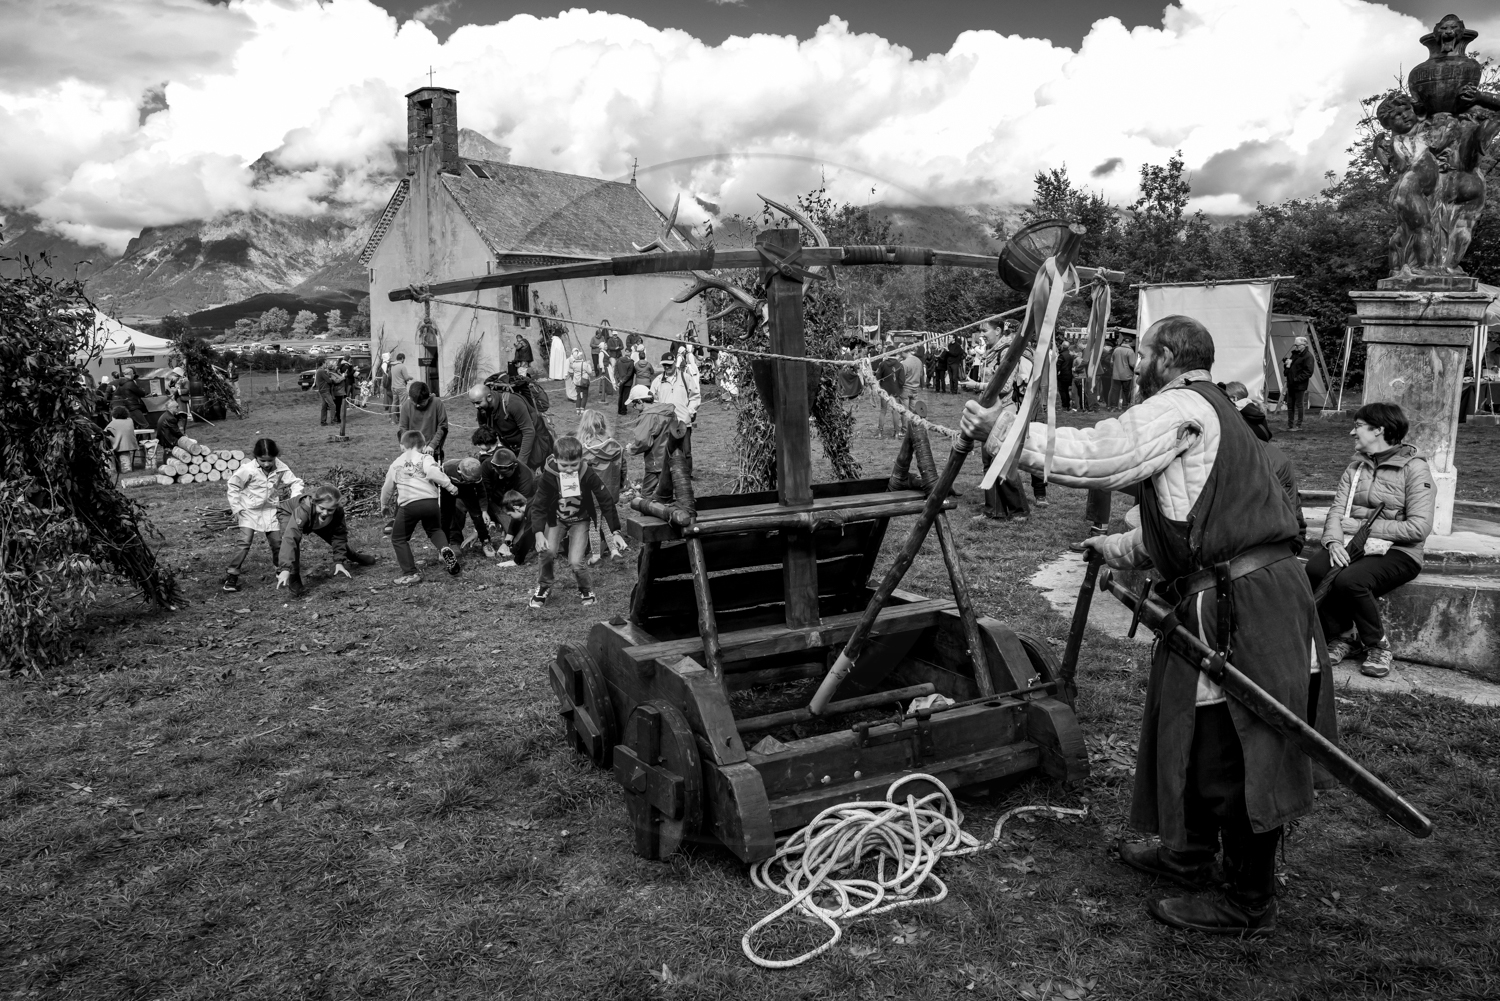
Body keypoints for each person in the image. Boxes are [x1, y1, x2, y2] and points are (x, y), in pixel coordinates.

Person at [961, 314, 1320, 936]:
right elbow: (1182, 521)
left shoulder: (1181, 404)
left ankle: (1247, 899)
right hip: (1231, 593)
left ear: (1169, 357)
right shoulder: (1212, 412)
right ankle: (1190, 854)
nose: (1134, 362)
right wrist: (1115, 548)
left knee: (1235, 745)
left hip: (1245, 605)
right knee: (1197, 729)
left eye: (1144, 353)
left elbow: (1105, 454)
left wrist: (1005, 432)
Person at [1304, 402, 1433, 678]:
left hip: (1401, 551)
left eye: (1358, 426)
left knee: (1351, 580)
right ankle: (1344, 637)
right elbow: (1337, 513)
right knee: (1315, 569)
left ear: (1379, 430)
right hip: (1354, 543)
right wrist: (1333, 543)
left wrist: (1363, 527)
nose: (1352, 432)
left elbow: (1419, 528)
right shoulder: (1355, 468)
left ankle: (1378, 645)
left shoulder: (1415, 469)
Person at [529, 435, 625, 609]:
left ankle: (585, 589)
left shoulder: (587, 472)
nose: (568, 469)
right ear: (555, 459)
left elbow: (605, 500)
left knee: (575, 561)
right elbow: (539, 505)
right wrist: (538, 533)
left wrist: (615, 531)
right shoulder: (548, 474)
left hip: (580, 520)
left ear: (581, 459)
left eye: (573, 465)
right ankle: (544, 586)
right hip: (556, 519)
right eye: (564, 465)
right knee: (547, 551)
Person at [380, 430, 462, 584]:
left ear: (402, 447)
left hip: (409, 505)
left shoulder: (396, 464)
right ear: (423, 446)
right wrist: (450, 487)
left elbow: (387, 488)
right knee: (435, 530)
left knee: (398, 538)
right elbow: (433, 472)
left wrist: (384, 504)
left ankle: (410, 573)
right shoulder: (425, 457)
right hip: (430, 503)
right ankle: (444, 548)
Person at [223, 438, 305, 592]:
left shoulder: (280, 467)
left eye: (270, 460)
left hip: (270, 510)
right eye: (263, 460)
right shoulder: (247, 469)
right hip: (249, 510)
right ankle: (232, 575)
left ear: (275, 457)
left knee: (277, 543)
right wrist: (236, 507)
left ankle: (280, 570)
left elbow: (295, 482)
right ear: (256, 457)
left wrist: (294, 500)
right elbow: (233, 485)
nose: (267, 464)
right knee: (244, 542)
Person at [276, 485, 378, 595]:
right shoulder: (304, 508)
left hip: (314, 517)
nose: (325, 512)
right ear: (315, 503)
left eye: (330, 510)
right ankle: (293, 576)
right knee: (294, 543)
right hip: (288, 513)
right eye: (322, 508)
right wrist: (285, 568)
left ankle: (353, 556)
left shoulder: (337, 511)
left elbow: (339, 535)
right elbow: (290, 539)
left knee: (334, 537)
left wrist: (339, 561)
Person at [577, 409, 626, 563]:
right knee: (606, 518)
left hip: (590, 493)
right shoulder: (615, 446)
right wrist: (620, 485)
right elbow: (622, 467)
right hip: (610, 489)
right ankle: (614, 551)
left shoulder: (581, 449)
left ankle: (596, 554)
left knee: (594, 522)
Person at [627, 384, 681, 496]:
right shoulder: (667, 410)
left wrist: (631, 449)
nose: (634, 407)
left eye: (634, 403)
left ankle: (649, 512)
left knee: (646, 493)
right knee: (670, 491)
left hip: (656, 460)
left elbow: (643, 441)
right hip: (672, 456)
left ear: (641, 402)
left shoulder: (647, 416)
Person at [650, 350, 700, 472]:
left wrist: (690, 412)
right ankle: (669, 475)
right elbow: (652, 400)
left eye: (669, 364)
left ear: (674, 363)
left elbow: (695, 397)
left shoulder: (686, 378)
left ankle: (687, 476)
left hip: (683, 422)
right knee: (667, 451)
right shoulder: (657, 381)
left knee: (686, 452)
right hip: (666, 424)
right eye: (664, 365)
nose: (667, 367)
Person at [440, 455, 496, 558]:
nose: (471, 482)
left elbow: (482, 493)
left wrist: (484, 511)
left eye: (473, 481)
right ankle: (446, 546)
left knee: (478, 516)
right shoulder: (447, 467)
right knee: (446, 517)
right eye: (469, 480)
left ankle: (486, 541)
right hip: (447, 491)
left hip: (468, 491)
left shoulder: (476, 476)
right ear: (460, 472)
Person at [397, 381, 449, 463]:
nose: (417, 405)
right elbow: (403, 428)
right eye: (414, 402)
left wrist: (432, 445)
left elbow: (443, 427)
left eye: (421, 403)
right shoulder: (406, 406)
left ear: (428, 397)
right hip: (412, 451)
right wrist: (405, 445)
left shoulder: (437, 403)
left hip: (431, 451)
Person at [494, 489, 535, 567]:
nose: (511, 517)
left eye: (510, 515)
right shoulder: (530, 505)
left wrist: (517, 561)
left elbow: (528, 536)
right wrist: (512, 550)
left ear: (516, 508)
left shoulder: (532, 511)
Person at [1282, 336, 1315, 431]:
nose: (1295, 347)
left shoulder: (1308, 356)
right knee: (1290, 405)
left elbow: (1308, 372)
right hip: (1291, 383)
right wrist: (1287, 365)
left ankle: (1299, 425)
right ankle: (1290, 425)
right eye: (1295, 345)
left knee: (1299, 405)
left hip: (1299, 384)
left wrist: (1296, 379)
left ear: (1304, 345)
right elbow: (1290, 368)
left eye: (1297, 345)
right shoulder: (1295, 354)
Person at [874, 348, 905, 438]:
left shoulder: (883, 364)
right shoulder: (900, 365)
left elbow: (877, 377)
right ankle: (896, 433)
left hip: (884, 391)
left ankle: (880, 433)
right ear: (896, 355)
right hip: (895, 391)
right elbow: (902, 381)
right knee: (895, 411)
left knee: (883, 411)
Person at [104, 406, 138, 480]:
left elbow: (105, 432)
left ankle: (113, 469)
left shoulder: (113, 423)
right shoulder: (130, 420)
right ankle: (126, 469)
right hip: (129, 445)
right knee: (126, 466)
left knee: (108, 449)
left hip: (118, 446)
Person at [1110, 336, 1138, 409]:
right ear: (1130, 342)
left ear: (1123, 342)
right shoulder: (1130, 351)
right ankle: (1125, 406)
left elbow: (1111, 362)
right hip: (1127, 375)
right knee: (1126, 391)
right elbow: (1132, 364)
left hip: (1116, 374)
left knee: (1115, 391)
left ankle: (1113, 406)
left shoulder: (1116, 349)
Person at [390, 353, 412, 423]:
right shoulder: (402, 366)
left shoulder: (392, 366)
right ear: (402, 358)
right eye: (404, 359)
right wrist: (410, 377)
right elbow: (406, 378)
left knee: (394, 403)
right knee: (403, 404)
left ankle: (393, 420)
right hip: (401, 387)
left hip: (393, 387)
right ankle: (403, 421)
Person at [331, 357, 351, 436]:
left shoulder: (337, 373)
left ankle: (338, 418)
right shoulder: (332, 374)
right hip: (337, 392)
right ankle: (336, 418)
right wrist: (343, 377)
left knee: (339, 406)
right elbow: (336, 381)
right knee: (337, 406)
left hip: (341, 391)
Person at [567, 347, 591, 412]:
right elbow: (590, 371)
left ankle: (578, 410)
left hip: (577, 382)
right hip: (584, 381)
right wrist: (588, 364)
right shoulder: (584, 364)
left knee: (578, 396)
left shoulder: (573, 364)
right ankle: (582, 409)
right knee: (585, 395)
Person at [1056, 340, 1074, 411]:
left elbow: (1058, 365)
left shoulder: (1062, 355)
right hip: (1069, 374)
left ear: (1062, 346)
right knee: (1066, 390)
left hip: (1062, 375)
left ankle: (1064, 405)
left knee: (1062, 390)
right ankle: (1068, 405)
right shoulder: (1070, 354)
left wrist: (1056, 373)